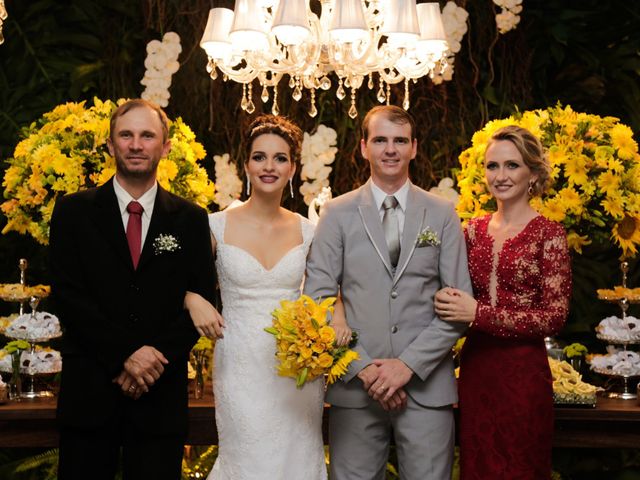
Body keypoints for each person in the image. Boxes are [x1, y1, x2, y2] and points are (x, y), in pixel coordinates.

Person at [49, 99, 216, 480]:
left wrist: (151, 364)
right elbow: (67, 296)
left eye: (147, 135)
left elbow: (202, 301)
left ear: (166, 147)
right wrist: (125, 355)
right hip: (90, 395)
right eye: (126, 135)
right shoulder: (73, 212)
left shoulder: (190, 219)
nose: (136, 144)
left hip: (158, 399)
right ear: (110, 145)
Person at [304, 105, 472, 480]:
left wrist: (407, 366)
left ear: (414, 148)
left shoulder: (443, 214)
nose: (390, 149)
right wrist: (365, 370)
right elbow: (317, 300)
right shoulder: (336, 213)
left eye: (399, 141)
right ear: (364, 148)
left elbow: (458, 307)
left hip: (427, 388)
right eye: (380, 140)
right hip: (355, 391)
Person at [184, 114, 328, 479]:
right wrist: (190, 296)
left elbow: (328, 295)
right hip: (240, 365)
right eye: (259, 156)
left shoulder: (309, 232)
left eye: (280, 158)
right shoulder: (214, 226)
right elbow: (171, 278)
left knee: (295, 459)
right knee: (247, 459)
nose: (269, 166)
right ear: (245, 164)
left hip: (296, 368)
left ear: (293, 167)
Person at [434, 125, 572, 479]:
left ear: (533, 173)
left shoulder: (549, 234)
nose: (500, 175)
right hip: (477, 371)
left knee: (521, 468)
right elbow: (449, 294)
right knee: (478, 466)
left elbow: (553, 318)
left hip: (524, 376)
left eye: (511, 165)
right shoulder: (472, 230)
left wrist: (478, 314)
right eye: (492, 166)